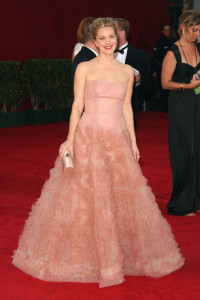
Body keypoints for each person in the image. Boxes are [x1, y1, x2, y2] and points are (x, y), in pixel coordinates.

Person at [12, 18, 184, 288]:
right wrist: (70, 140)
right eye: (102, 38)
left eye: (111, 37)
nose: (107, 42)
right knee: (83, 198)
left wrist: (133, 141)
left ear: (118, 38)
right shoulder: (84, 67)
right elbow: (77, 105)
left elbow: (127, 108)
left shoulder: (127, 72)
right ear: (94, 39)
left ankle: (123, 256)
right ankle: (88, 257)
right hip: (89, 137)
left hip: (117, 139)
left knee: (121, 196)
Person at [162, 10, 200, 216]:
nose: (197, 35)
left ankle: (196, 199)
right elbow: (165, 83)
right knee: (185, 150)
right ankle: (181, 202)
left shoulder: (198, 47)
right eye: (194, 30)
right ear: (184, 27)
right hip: (181, 104)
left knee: (198, 149)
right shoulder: (172, 52)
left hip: (198, 101)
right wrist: (188, 85)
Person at [114, 18, 152, 125]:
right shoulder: (102, 54)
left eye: (112, 30)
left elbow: (149, 88)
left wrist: (138, 82)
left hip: (129, 110)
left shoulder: (141, 56)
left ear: (122, 33)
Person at [152, 24, 176, 112]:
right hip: (161, 69)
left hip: (174, 69)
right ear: (162, 31)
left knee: (172, 89)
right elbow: (155, 57)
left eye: (169, 30)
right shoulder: (159, 41)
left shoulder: (174, 41)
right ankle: (164, 107)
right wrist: (154, 70)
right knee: (163, 89)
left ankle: (172, 106)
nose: (168, 32)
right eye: (166, 30)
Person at [71, 24, 99, 88]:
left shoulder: (83, 55)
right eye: (103, 38)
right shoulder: (86, 60)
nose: (108, 42)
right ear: (95, 40)